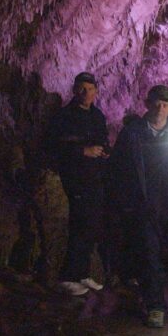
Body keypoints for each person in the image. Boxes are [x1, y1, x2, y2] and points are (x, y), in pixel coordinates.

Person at [109, 85, 168, 328]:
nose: (161, 109)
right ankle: (155, 306)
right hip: (146, 207)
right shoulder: (132, 133)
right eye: (157, 103)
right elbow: (118, 168)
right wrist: (128, 202)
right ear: (147, 104)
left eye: (165, 104)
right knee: (150, 259)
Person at [46, 71, 109, 296]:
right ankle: (68, 277)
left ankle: (82, 273)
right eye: (82, 89)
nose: (86, 93)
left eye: (90, 89)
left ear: (96, 92)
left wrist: (104, 152)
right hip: (74, 176)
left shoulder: (97, 116)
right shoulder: (65, 116)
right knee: (79, 224)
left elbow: (102, 139)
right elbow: (54, 146)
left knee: (92, 225)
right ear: (74, 90)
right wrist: (82, 151)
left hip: (94, 176)